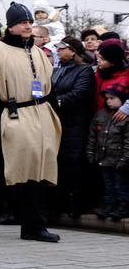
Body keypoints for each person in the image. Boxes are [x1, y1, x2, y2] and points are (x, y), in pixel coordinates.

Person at [0, 2, 62, 243]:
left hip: (40, 114)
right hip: (12, 115)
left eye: (29, 22)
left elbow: (49, 89)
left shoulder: (37, 53)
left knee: (40, 169)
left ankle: (34, 226)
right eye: (22, 23)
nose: (27, 27)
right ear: (10, 27)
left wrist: (54, 115)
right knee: (7, 168)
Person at [51, 36, 95, 217]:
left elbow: (80, 93)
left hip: (75, 125)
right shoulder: (58, 70)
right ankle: (59, 203)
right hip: (57, 124)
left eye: (61, 48)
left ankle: (77, 204)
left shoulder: (84, 70)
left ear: (73, 51)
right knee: (59, 164)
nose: (58, 51)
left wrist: (56, 102)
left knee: (74, 165)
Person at [86, 84, 129, 220]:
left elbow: (128, 141)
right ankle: (109, 205)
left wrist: (125, 158)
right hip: (103, 158)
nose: (108, 101)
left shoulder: (124, 117)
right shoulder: (101, 114)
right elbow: (92, 136)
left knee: (120, 184)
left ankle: (123, 206)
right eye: (107, 98)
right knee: (108, 184)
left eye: (112, 98)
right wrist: (90, 153)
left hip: (118, 159)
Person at [94, 39, 129, 113]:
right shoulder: (98, 74)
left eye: (103, 59)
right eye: (99, 57)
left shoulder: (125, 76)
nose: (98, 60)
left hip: (116, 118)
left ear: (112, 62)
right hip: (97, 116)